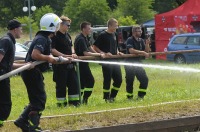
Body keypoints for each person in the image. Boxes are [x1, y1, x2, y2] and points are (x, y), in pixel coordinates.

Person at [14, 13, 68, 132]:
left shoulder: (45, 38)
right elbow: (35, 54)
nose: (59, 27)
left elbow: (44, 55)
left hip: (34, 72)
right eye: (57, 25)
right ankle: (33, 127)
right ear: (52, 26)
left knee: (37, 99)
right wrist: (49, 58)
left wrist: (60, 59)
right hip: (31, 72)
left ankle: (22, 121)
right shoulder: (42, 39)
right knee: (39, 100)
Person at [0, 19, 25, 127]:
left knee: (4, 105)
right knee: (5, 105)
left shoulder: (10, 41)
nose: (22, 31)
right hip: (1, 77)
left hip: (4, 76)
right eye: (21, 29)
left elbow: (9, 64)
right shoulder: (6, 41)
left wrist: (26, 65)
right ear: (15, 29)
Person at [51, 16, 80, 107]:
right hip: (60, 65)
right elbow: (52, 50)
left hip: (70, 64)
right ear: (61, 24)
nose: (69, 27)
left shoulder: (68, 35)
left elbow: (70, 47)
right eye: (68, 25)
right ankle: (61, 105)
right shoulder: (54, 36)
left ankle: (74, 103)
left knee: (74, 84)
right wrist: (64, 56)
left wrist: (73, 53)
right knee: (61, 86)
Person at [74, 21, 104, 104]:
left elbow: (89, 47)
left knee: (83, 83)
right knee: (90, 81)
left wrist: (98, 54)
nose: (90, 30)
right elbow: (85, 53)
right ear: (83, 29)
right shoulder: (80, 39)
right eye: (89, 28)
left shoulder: (85, 37)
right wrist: (99, 54)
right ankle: (84, 99)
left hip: (84, 63)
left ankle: (81, 100)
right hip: (81, 63)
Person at [93, 18, 123, 103]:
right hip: (106, 62)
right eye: (115, 26)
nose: (116, 28)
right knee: (107, 80)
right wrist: (104, 53)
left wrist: (118, 52)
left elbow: (116, 46)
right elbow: (95, 47)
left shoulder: (115, 34)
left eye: (117, 26)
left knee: (119, 80)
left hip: (115, 61)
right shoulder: (102, 35)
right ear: (109, 26)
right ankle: (106, 98)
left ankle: (112, 96)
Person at [124, 26, 150, 100]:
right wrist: (142, 52)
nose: (141, 32)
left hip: (138, 62)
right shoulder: (130, 39)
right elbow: (131, 50)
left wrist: (147, 44)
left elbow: (146, 51)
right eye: (139, 31)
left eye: (141, 31)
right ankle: (129, 97)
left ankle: (140, 96)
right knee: (130, 81)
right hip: (129, 63)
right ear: (134, 32)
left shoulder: (141, 40)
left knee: (144, 80)